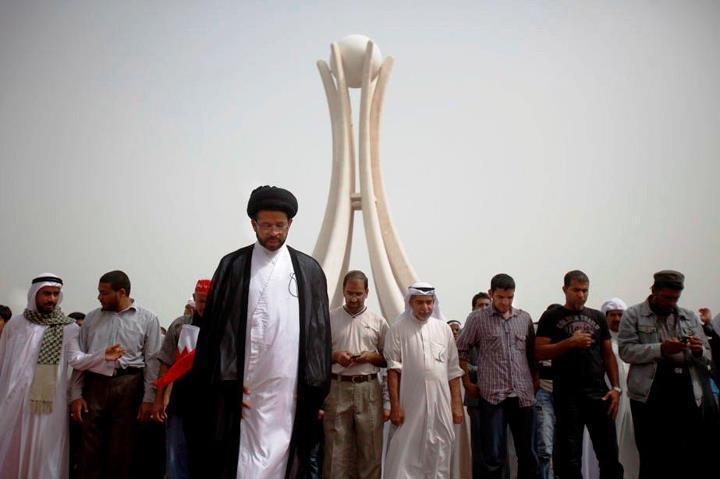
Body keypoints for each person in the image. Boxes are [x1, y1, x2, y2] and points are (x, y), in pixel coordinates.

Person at [190, 185, 331, 479]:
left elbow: (318, 336)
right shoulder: (233, 266)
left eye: (280, 225)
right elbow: (217, 333)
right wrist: (226, 383)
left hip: (289, 392)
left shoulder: (308, 270)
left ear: (290, 224)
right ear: (253, 224)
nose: (274, 233)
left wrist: (313, 389)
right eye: (266, 225)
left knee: (287, 461)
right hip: (245, 391)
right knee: (242, 461)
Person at [0, 274, 123, 479]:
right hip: (14, 400)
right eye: (47, 294)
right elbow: (2, 360)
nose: (52, 299)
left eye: (56, 294)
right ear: (34, 295)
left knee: (45, 452)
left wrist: (101, 356)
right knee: (10, 446)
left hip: (47, 404)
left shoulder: (68, 328)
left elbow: (76, 359)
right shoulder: (15, 325)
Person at [619, 270, 717, 479]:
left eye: (675, 298)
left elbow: (708, 354)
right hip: (650, 393)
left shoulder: (688, 316)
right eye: (666, 297)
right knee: (653, 455)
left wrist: (698, 351)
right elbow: (626, 351)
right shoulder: (633, 314)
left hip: (686, 390)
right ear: (654, 291)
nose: (671, 302)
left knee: (688, 454)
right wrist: (661, 349)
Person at [69, 270, 162, 479]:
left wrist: (148, 398)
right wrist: (75, 395)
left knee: (123, 449)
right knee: (89, 448)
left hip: (129, 386)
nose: (99, 297)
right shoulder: (92, 318)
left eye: (104, 293)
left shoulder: (148, 319)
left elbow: (152, 362)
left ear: (121, 292)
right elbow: (80, 360)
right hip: (95, 386)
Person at [535, 270, 623, 479]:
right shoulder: (551, 316)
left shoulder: (597, 317)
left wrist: (616, 389)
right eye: (576, 290)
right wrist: (569, 343)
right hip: (567, 394)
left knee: (609, 453)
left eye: (585, 291)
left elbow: (608, 354)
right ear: (565, 289)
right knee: (569, 457)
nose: (581, 295)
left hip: (598, 392)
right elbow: (538, 352)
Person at [457, 273, 539, 479]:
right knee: (493, 456)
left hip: (523, 396)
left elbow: (532, 354)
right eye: (501, 297)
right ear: (491, 294)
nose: (505, 302)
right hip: (493, 397)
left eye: (510, 297)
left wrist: (534, 381)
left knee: (528, 453)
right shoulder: (477, 319)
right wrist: (467, 382)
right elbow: (461, 351)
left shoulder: (524, 318)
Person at [383, 281, 464, 479]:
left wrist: (456, 405)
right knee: (405, 452)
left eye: (429, 302)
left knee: (439, 449)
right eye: (420, 302)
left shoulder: (443, 329)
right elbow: (393, 371)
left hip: (440, 404)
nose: (425, 308)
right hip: (409, 403)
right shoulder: (398, 328)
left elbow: (453, 370)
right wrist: (395, 406)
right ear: (410, 302)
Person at [323, 270, 389, 479]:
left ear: (367, 293)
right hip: (337, 387)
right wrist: (335, 356)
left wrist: (370, 357)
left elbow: (389, 359)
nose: (353, 298)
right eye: (350, 293)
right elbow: (316, 354)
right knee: (336, 448)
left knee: (370, 449)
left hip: (368, 388)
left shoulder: (378, 322)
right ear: (343, 291)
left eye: (358, 294)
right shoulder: (330, 318)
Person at [153, 279, 211, 479]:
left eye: (209, 301)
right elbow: (166, 363)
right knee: (175, 457)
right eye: (201, 300)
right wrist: (159, 399)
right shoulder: (179, 325)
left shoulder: (224, 328)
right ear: (195, 299)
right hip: (180, 402)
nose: (204, 305)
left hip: (211, 404)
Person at [582, 298, 639, 479]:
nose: (616, 319)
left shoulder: (631, 342)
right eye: (612, 315)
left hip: (631, 401)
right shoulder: (599, 342)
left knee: (630, 442)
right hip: (607, 400)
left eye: (620, 315)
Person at [534, 304, 562, 479]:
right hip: (543, 393)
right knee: (544, 447)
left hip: (567, 395)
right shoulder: (538, 338)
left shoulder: (568, 338)